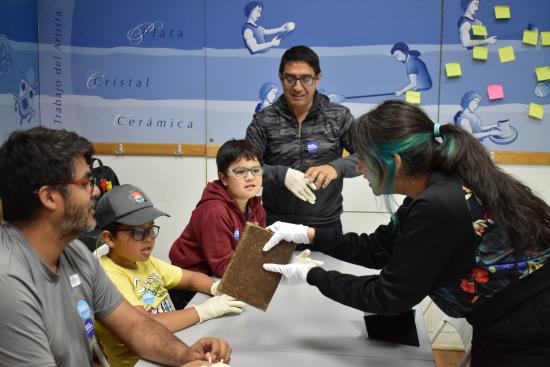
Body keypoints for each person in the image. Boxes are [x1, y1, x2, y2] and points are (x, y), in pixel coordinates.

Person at [262, 100, 550, 366]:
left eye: (363, 158)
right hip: (510, 318)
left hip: (528, 328)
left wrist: (312, 274)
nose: (358, 168)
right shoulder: (433, 189)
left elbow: (388, 296)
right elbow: (378, 248)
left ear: (394, 162)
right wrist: (308, 234)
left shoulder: (437, 204)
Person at [0, 127, 231, 366]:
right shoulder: (8, 283)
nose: (96, 190)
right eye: (86, 183)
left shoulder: (76, 254)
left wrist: (185, 355)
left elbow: (135, 325)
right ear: (49, 197)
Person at [94, 184, 246, 367]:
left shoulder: (144, 261)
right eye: (138, 232)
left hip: (173, 343)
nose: (149, 238)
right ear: (109, 238)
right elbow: (145, 326)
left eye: (151, 229)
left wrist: (217, 288)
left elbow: (190, 279)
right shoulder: (108, 275)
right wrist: (205, 310)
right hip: (143, 360)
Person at [245, 45, 359, 234]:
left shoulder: (339, 116)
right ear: (281, 78)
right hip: (275, 226)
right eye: (290, 79)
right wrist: (281, 175)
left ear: (318, 78)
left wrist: (335, 168)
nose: (298, 87)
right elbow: (245, 169)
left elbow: (368, 156)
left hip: (325, 226)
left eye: (306, 79)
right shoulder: (264, 120)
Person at [170, 139, 266, 278]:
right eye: (240, 172)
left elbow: (258, 252)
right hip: (191, 284)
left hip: (226, 276)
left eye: (256, 170)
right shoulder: (214, 212)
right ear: (224, 178)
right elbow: (223, 267)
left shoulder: (256, 207)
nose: (250, 177)